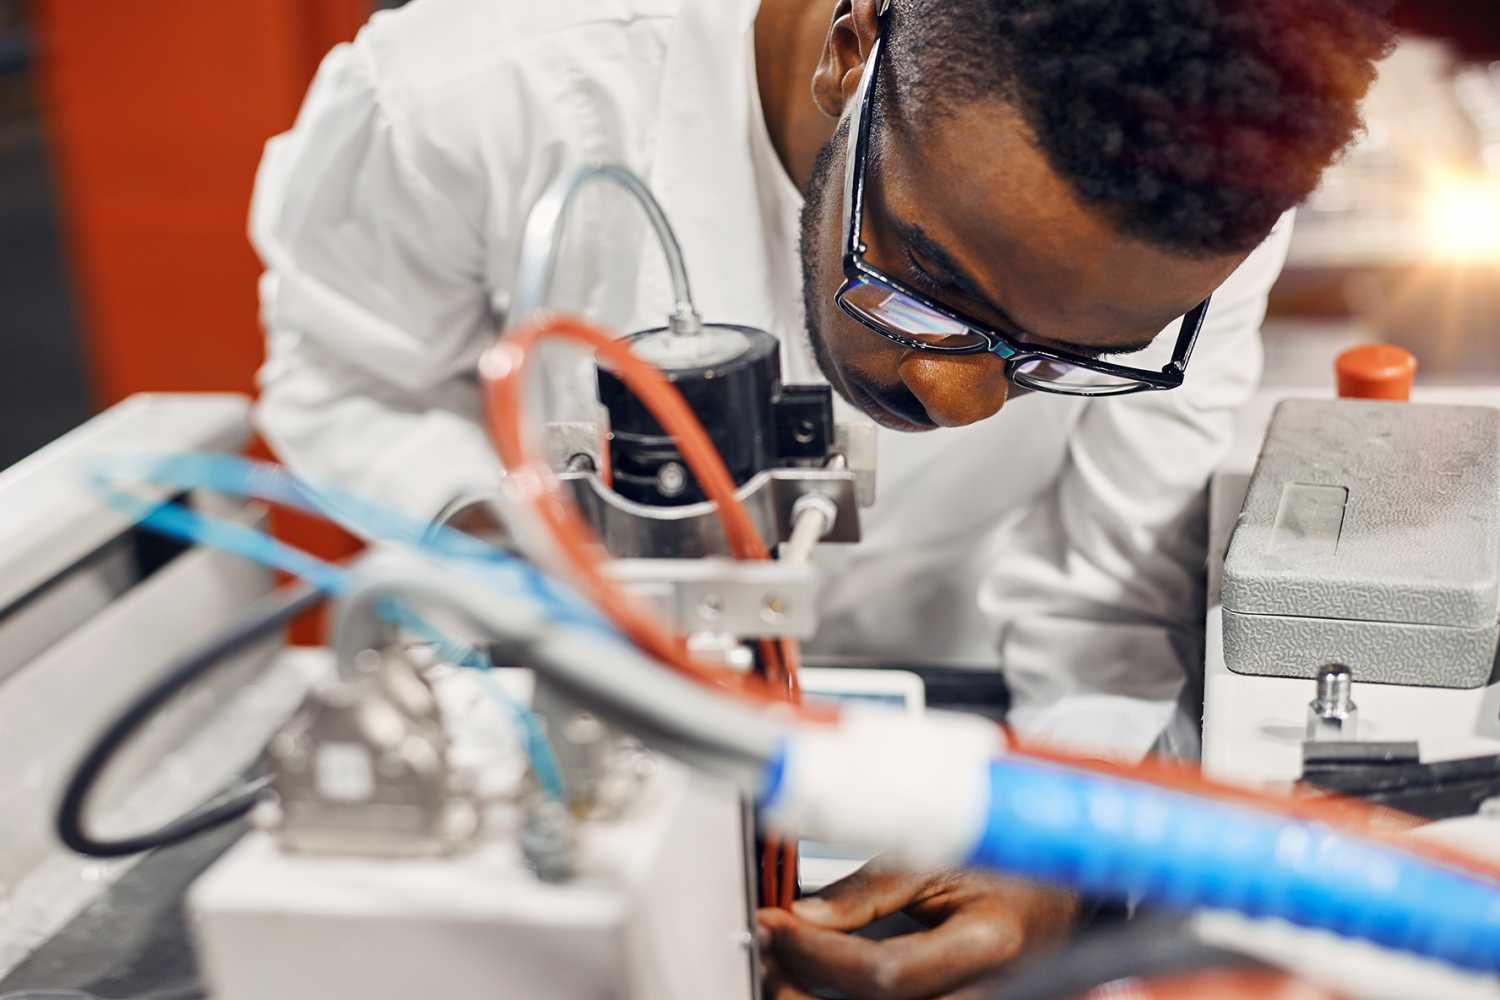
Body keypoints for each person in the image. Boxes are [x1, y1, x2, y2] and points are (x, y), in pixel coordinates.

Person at [249, 0, 1394, 995]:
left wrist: (1062, 843)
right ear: (851, 54)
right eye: (931, 286)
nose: (961, 398)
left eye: (1074, 354)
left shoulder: (1205, 210)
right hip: (582, 703)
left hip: (952, 718)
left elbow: (1107, 603)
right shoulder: (479, 89)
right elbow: (345, 387)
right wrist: (548, 557)